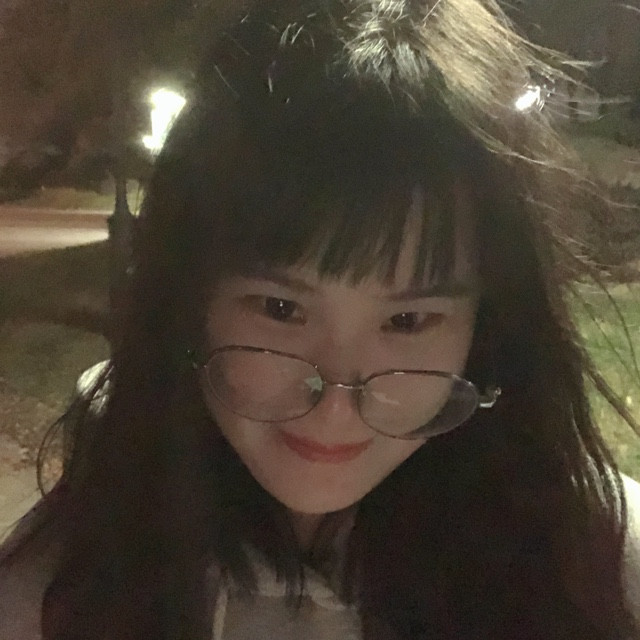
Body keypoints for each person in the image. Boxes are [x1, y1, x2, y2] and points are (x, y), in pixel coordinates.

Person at [1, 0, 640, 638]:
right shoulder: (65, 589)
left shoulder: (594, 570)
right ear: (190, 300)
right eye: (282, 310)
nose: (336, 408)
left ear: (486, 329)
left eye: (408, 321)